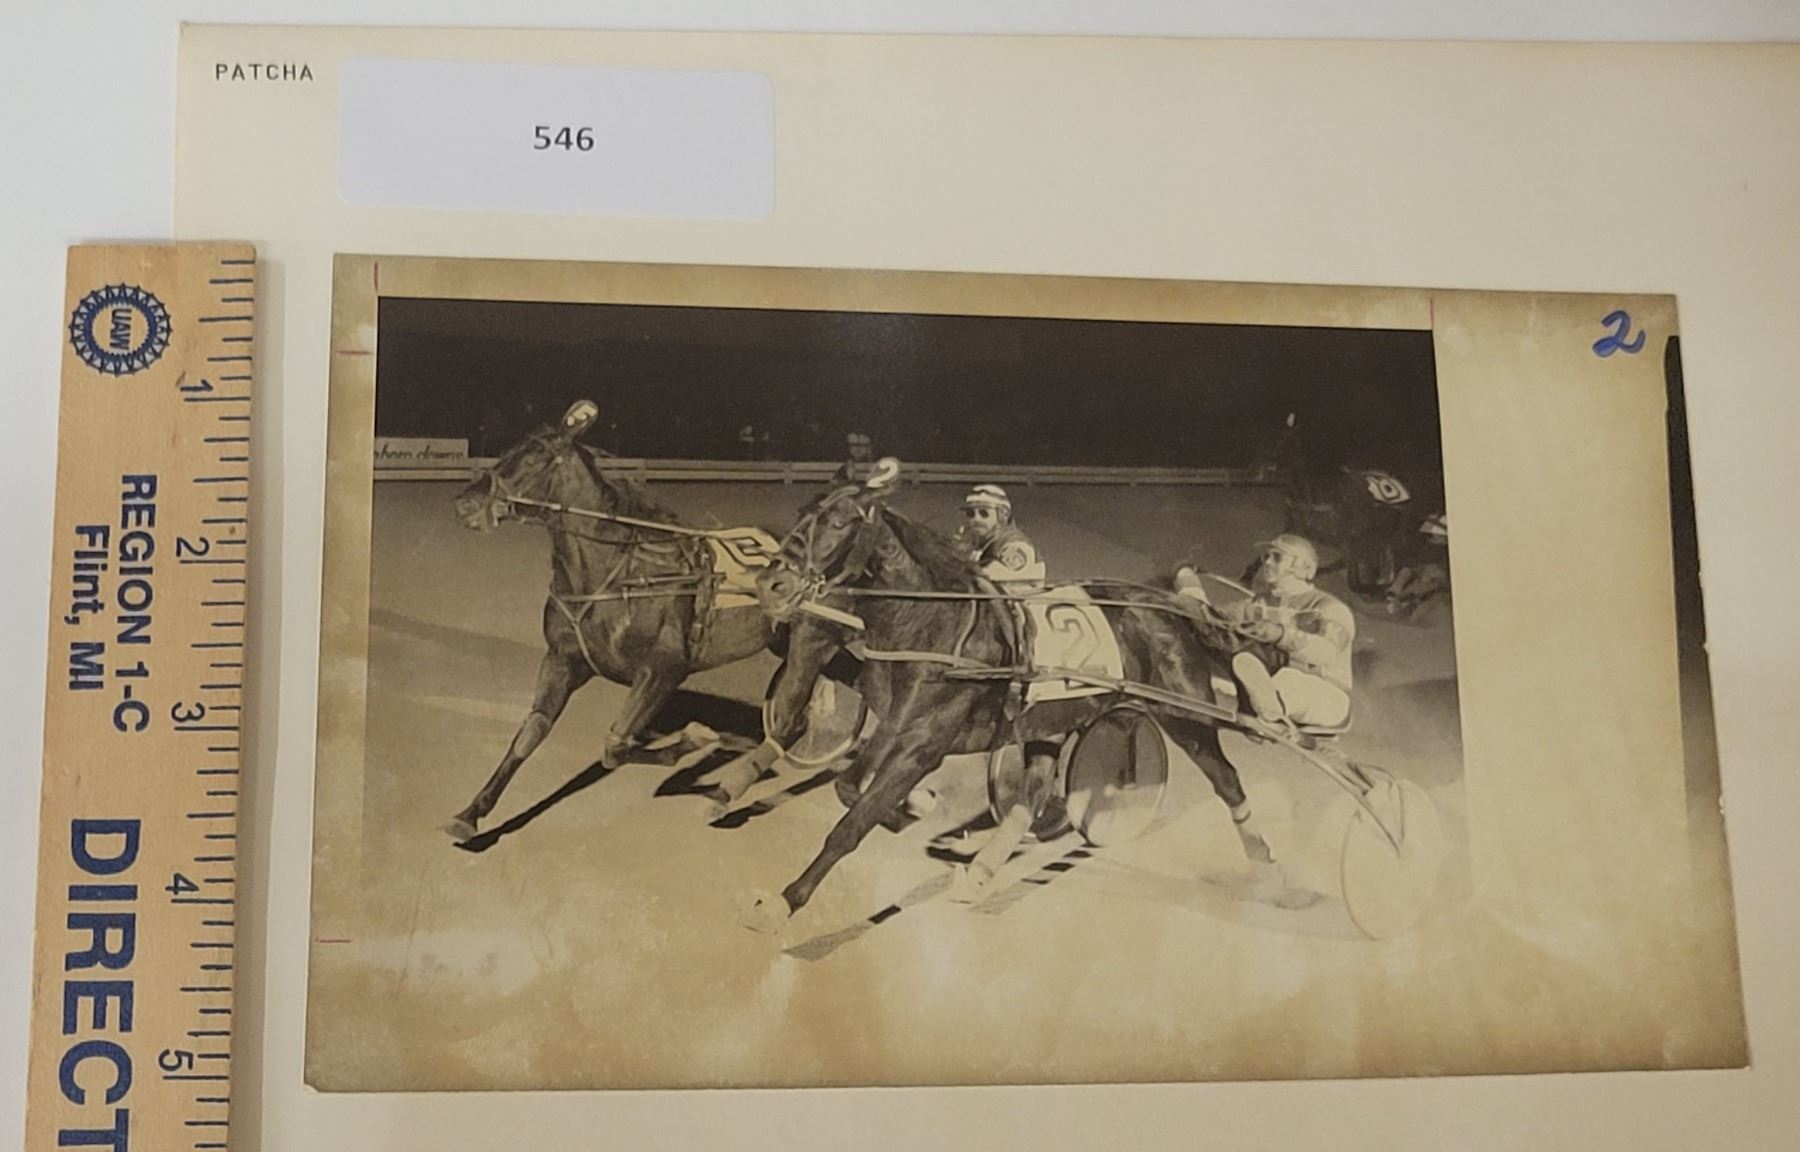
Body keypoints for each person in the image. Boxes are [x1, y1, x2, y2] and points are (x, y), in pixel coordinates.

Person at [1174, 533, 1354, 733]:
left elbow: (1327, 654)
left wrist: (1280, 634)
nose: (1267, 562)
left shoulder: (1329, 607)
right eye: (1266, 556)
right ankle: (1263, 704)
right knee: (1237, 656)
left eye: (1277, 557)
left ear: (1304, 567)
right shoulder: (1256, 604)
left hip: (1327, 696)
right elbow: (1211, 620)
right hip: (1272, 681)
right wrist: (1188, 584)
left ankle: (1270, 706)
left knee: (1290, 679)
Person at [958, 484, 1047, 589]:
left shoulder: (1016, 545)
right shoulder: (980, 546)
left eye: (984, 513)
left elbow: (991, 582)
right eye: (970, 514)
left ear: (1002, 516)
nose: (976, 519)